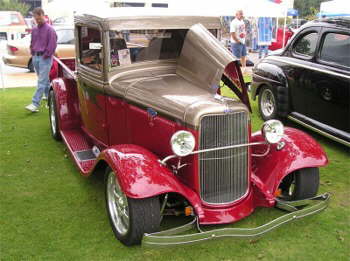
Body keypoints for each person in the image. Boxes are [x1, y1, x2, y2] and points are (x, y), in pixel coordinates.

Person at [25, 8, 57, 112]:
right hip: (35, 57)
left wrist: (46, 55)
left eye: (39, 18)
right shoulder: (34, 29)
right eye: (35, 18)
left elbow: (52, 45)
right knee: (44, 80)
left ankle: (35, 103)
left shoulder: (50, 29)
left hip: (45, 58)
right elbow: (32, 42)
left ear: (43, 15)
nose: (37, 20)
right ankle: (49, 99)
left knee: (41, 81)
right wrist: (32, 52)